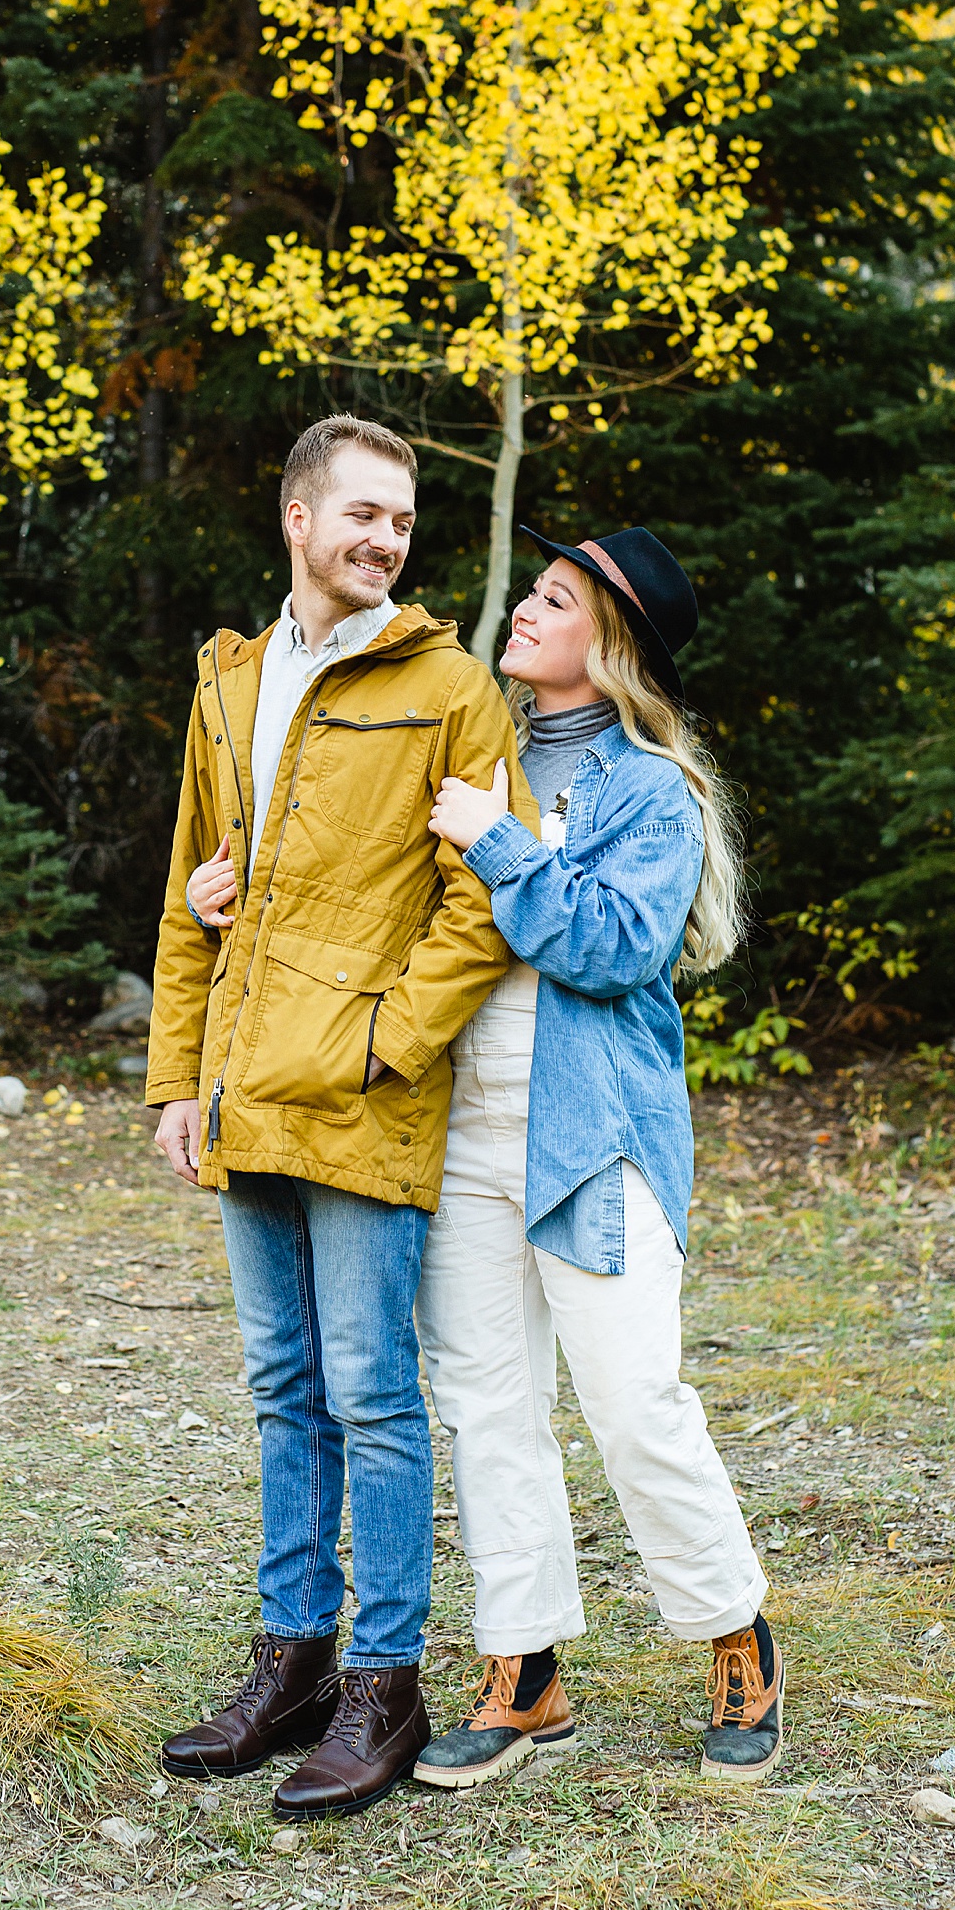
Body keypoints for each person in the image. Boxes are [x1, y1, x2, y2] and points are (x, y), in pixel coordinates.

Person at [146, 413, 536, 1821]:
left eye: (404, 523)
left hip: (361, 1100)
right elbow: (200, 887)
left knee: (373, 1395)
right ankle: (293, 1661)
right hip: (246, 1089)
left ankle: (386, 1681)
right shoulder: (231, 680)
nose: (385, 540)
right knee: (280, 1392)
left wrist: (387, 1041)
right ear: (297, 519)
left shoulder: (450, 690)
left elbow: (483, 898)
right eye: (361, 515)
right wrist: (176, 1077)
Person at [411, 523, 783, 1790]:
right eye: (530, 588)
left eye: (554, 598)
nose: (523, 608)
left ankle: (737, 1637)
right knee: (486, 1408)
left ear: (608, 641)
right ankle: (525, 1675)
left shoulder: (649, 790)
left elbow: (619, 945)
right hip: (460, 1133)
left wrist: (499, 842)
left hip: (593, 1140)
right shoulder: (482, 753)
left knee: (635, 1407)